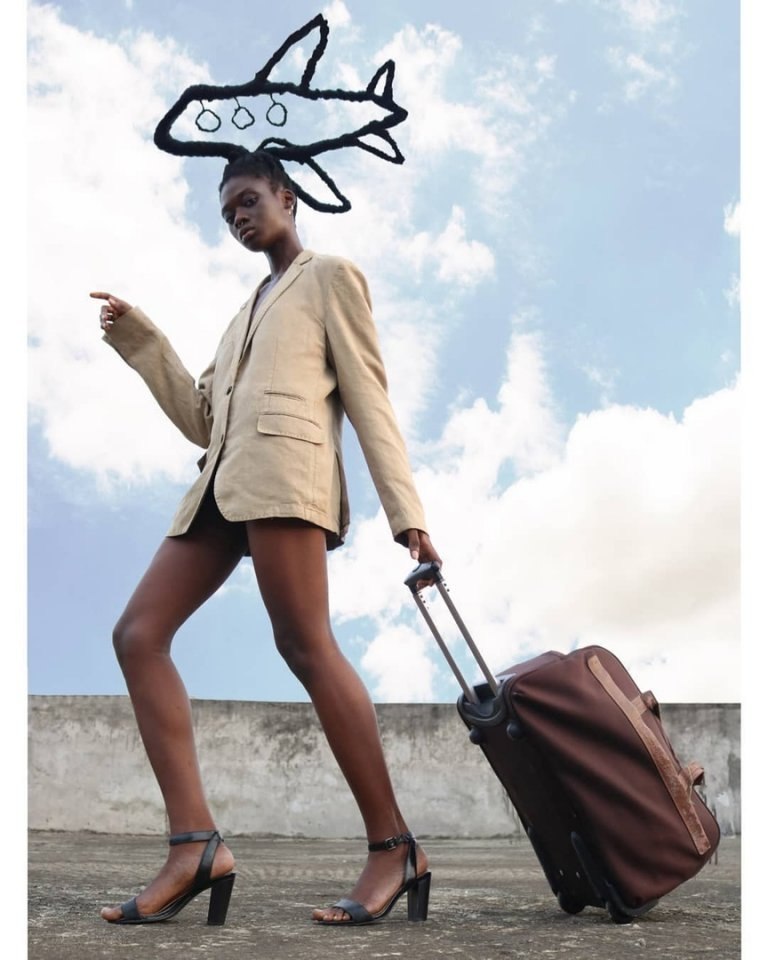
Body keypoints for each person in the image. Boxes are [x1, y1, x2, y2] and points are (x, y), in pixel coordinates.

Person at [90, 150, 441, 927]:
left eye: (248, 201)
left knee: (305, 644)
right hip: (221, 485)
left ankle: (395, 848)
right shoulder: (242, 314)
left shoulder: (330, 277)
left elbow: (369, 397)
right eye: (228, 214)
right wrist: (142, 340)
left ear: (287, 197)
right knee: (138, 634)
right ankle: (195, 846)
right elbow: (202, 418)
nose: (239, 218)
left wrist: (406, 510)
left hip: (287, 474)